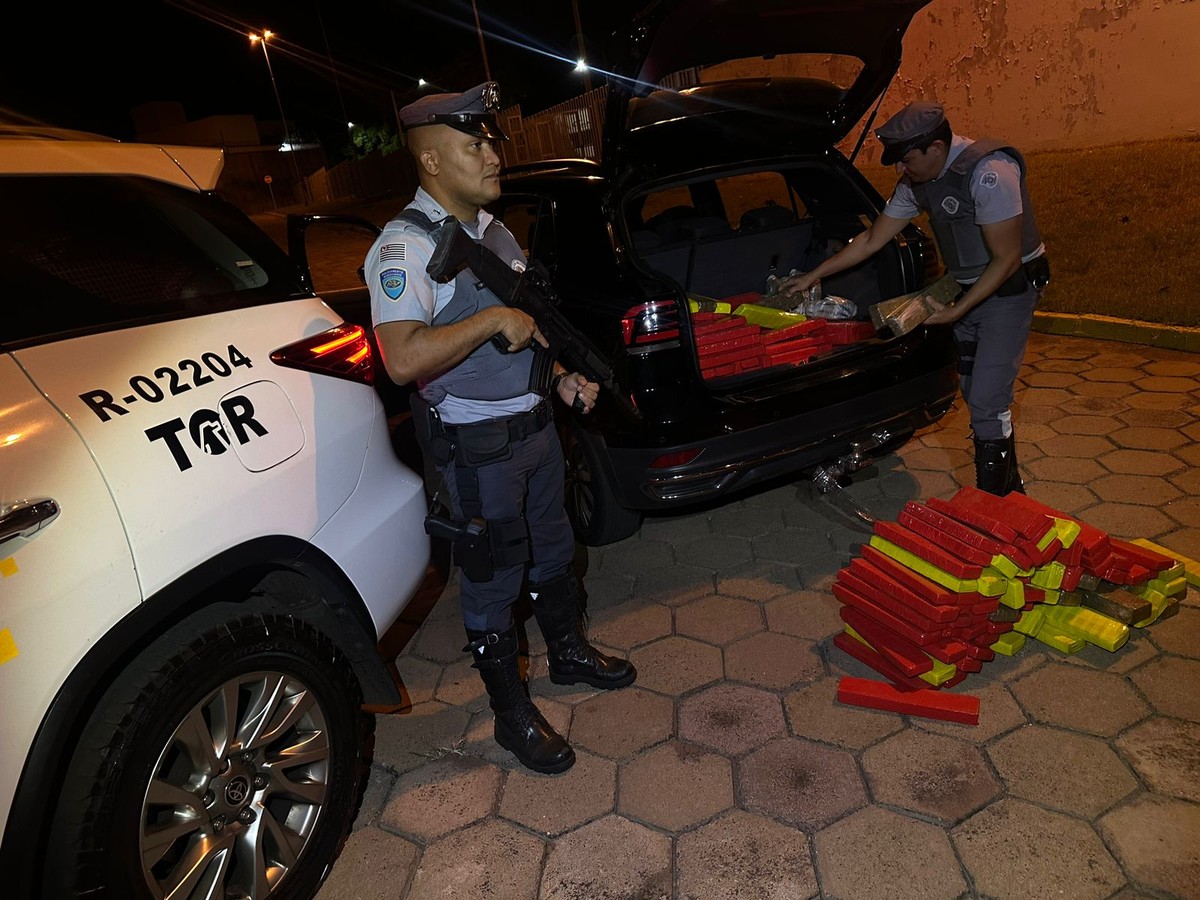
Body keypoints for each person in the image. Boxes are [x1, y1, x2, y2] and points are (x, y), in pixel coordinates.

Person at [365, 82, 636, 775]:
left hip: (539, 432)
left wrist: (563, 380)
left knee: (555, 554)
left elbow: (529, 334)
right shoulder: (402, 250)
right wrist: (487, 320)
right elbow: (401, 359)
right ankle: (511, 717)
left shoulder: (495, 232)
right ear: (431, 162)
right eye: (474, 144)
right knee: (493, 581)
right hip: (478, 455)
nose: (492, 156)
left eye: (490, 142)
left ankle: (568, 655)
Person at [782, 100, 1048, 495]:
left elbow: (1007, 259)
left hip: (1008, 290)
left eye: (906, 159)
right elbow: (873, 238)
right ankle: (1011, 492)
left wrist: (957, 310)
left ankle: (993, 504)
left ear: (936, 150)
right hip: (964, 288)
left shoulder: (990, 174)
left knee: (988, 398)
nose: (900, 170)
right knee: (974, 392)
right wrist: (814, 275)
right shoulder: (917, 182)